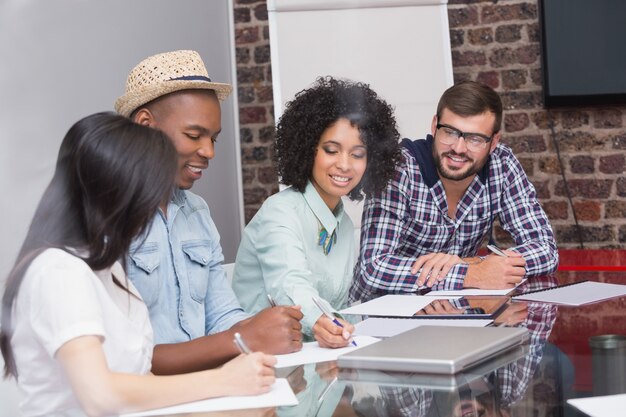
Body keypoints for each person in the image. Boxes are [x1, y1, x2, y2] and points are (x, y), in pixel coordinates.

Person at [0, 113, 276, 417]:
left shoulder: (107, 269)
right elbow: (100, 396)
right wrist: (224, 381)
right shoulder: (59, 272)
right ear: (118, 193)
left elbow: (143, 390)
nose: (156, 208)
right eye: (152, 194)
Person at [114, 50, 303, 374]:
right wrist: (244, 337)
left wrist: (265, 327)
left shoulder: (197, 213)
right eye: (194, 135)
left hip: (209, 392)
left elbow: (221, 318)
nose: (209, 152)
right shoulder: (106, 216)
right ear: (145, 124)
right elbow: (124, 359)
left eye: (213, 138)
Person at [350, 81, 558, 302]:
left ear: (494, 141)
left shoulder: (502, 164)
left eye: (475, 138)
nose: (458, 148)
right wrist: (471, 274)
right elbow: (372, 269)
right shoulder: (400, 167)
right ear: (434, 125)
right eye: (450, 132)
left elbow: (546, 250)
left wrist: (470, 263)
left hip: (454, 314)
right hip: (379, 319)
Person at [232, 77, 402, 348]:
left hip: (317, 361)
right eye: (331, 150)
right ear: (308, 149)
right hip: (266, 363)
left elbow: (341, 304)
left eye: (357, 154)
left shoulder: (344, 224)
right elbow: (291, 284)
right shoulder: (280, 212)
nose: (344, 165)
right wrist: (325, 322)